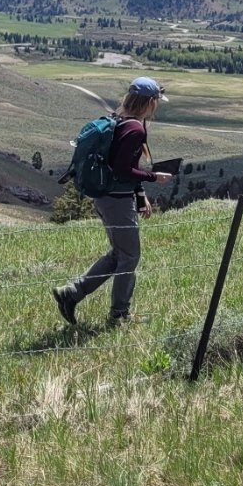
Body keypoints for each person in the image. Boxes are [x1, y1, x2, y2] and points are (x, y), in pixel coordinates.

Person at [52, 77, 173, 326]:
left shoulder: (119, 120)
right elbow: (121, 169)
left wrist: (140, 194)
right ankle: (119, 315)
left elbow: (124, 166)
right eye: (156, 102)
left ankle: (71, 294)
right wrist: (153, 177)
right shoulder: (136, 129)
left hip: (107, 198)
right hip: (117, 201)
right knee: (130, 256)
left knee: (120, 254)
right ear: (150, 102)